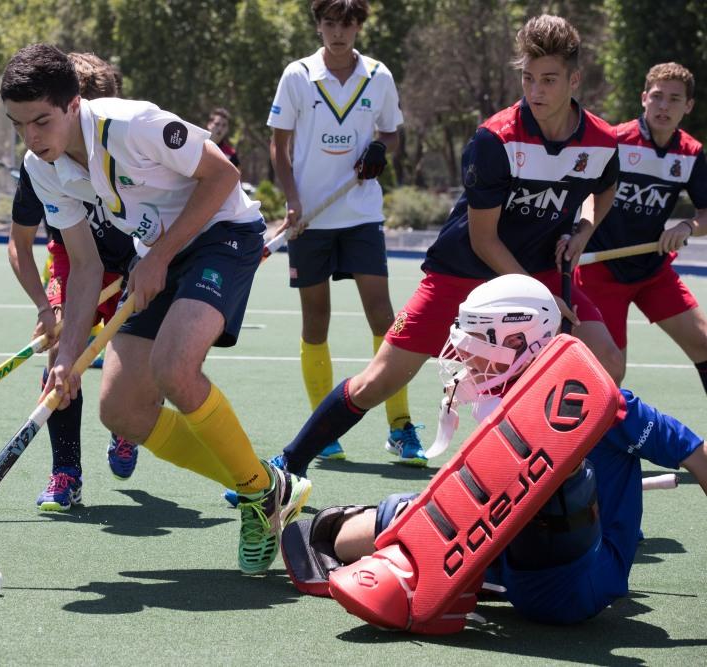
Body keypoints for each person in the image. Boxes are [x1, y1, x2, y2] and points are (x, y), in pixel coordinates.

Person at [271, 14, 625, 480]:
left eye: (549, 80)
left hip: (536, 273)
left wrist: (583, 231)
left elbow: (604, 189)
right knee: (380, 379)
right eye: (527, 78)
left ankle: (565, 476)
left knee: (606, 361)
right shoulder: (495, 138)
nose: (535, 90)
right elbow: (483, 238)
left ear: (574, 80)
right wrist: (540, 302)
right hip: (465, 270)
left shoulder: (600, 141)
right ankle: (286, 465)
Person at [0, 43, 311, 573]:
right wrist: (67, 355)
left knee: (174, 368)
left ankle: (259, 502)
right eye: (18, 124)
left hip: (222, 235)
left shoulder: (132, 125)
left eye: (41, 121)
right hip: (155, 253)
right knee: (118, 410)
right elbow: (83, 267)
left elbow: (223, 177)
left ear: (74, 104)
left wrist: (161, 255)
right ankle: (266, 485)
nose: (31, 137)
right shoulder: (43, 166)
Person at [283, 274, 707, 630]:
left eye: (480, 335)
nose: (464, 349)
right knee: (433, 506)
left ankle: (434, 562)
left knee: (547, 481)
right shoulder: (496, 396)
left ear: (526, 341)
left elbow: (696, 454)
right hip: (518, 561)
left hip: (586, 572)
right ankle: (384, 538)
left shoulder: (603, 402)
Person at [267, 0, 420, 464]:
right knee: (316, 322)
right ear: (318, 25)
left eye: (346, 24)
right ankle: (324, 429)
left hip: (360, 217)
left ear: (358, 27)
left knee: (384, 317)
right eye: (329, 23)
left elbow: (392, 132)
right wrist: (292, 201)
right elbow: (279, 145)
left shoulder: (379, 76)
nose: (338, 33)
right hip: (311, 219)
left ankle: (400, 426)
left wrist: (380, 147)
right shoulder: (297, 75)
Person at [8, 52, 139, 512]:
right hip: (73, 260)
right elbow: (19, 244)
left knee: (135, 369)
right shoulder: (39, 165)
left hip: (132, 263)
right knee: (62, 359)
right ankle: (66, 472)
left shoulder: (127, 147)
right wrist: (47, 309)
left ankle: (126, 424)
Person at [576, 62, 707, 394]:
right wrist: (583, 232)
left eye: (675, 99)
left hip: (652, 271)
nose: (664, 107)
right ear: (644, 98)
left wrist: (688, 226)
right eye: (657, 97)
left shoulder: (690, 153)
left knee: (704, 343)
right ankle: (590, 442)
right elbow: (590, 194)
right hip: (600, 270)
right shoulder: (616, 140)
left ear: (688, 106)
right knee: (610, 370)